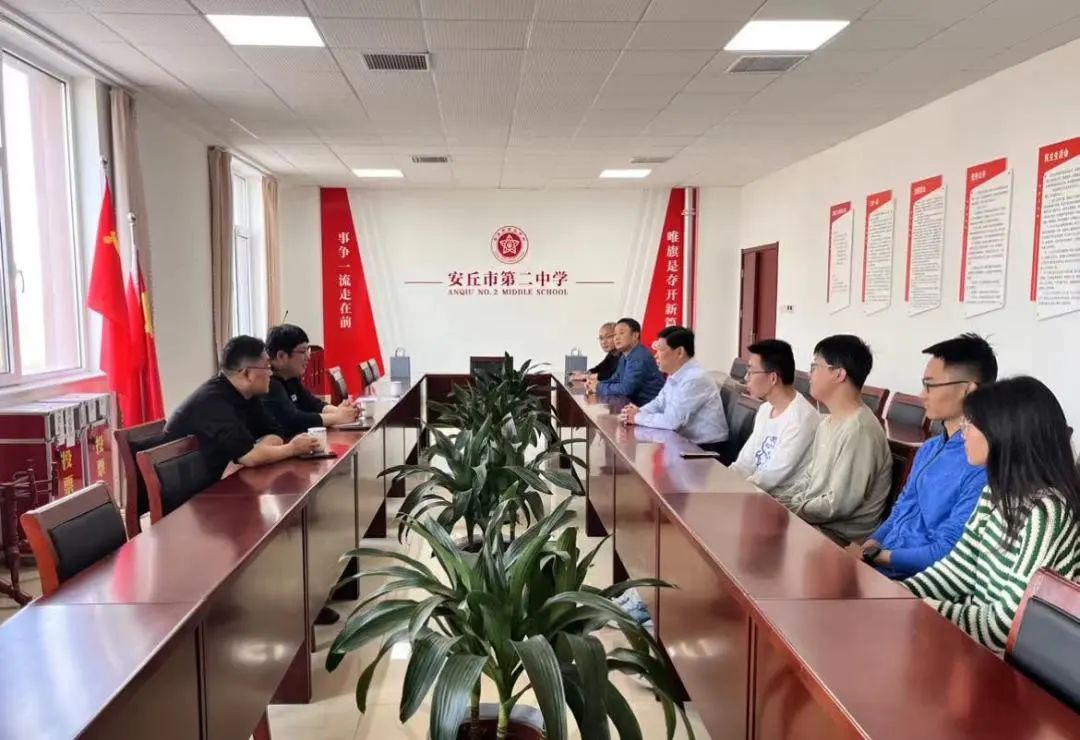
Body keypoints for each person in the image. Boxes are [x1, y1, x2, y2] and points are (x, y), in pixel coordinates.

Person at [903, 377, 1080, 654]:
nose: (963, 432)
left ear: (1004, 433)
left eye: (971, 423)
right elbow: (958, 570)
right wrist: (897, 593)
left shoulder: (1046, 513)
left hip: (1011, 663)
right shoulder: (995, 493)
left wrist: (919, 606)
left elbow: (1006, 626)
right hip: (975, 646)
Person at [851, 334, 996, 578]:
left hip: (915, 581)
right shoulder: (929, 448)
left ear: (968, 390)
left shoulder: (980, 463)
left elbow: (949, 551)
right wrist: (870, 545)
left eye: (930, 385)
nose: (922, 394)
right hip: (880, 565)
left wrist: (877, 557)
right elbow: (901, 509)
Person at [771, 335, 891, 545]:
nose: (809, 374)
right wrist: (780, 501)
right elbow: (809, 477)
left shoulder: (860, 430)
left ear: (839, 374)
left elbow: (837, 505)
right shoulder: (827, 422)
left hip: (839, 538)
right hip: (814, 523)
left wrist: (787, 509)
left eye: (815, 366)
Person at [165, 335, 320, 482]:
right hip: (185, 492)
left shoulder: (247, 394)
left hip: (215, 482)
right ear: (247, 374)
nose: (271, 373)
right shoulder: (213, 401)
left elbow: (274, 432)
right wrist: (293, 449)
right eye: (267, 367)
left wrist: (261, 451)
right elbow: (250, 457)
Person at [730, 339, 819, 492]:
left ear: (772, 378)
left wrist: (732, 489)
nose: (745, 378)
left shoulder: (802, 418)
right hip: (754, 492)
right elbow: (744, 463)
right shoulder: (765, 409)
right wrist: (723, 480)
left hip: (781, 501)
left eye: (751, 372)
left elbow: (769, 478)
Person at [621, 326, 728, 452]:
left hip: (706, 449)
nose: (655, 356)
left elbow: (672, 422)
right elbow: (659, 403)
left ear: (679, 352)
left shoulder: (695, 378)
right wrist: (636, 412)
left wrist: (637, 417)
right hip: (686, 442)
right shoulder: (677, 374)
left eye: (660, 350)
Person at [264, 324, 359, 437]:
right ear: (281, 356)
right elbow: (293, 420)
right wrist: (337, 417)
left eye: (308, 350)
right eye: (303, 351)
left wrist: (341, 412)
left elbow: (313, 404)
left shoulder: (291, 378)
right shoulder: (267, 383)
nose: (308, 357)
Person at [586, 317, 665, 406]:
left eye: (621, 333)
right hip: (634, 406)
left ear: (635, 335)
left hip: (649, 408)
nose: (616, 338)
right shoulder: (625, 355)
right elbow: (615, 379)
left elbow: (626, 389)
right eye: (615, 334)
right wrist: (595, 384)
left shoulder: (639, 357)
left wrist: (598, 387)